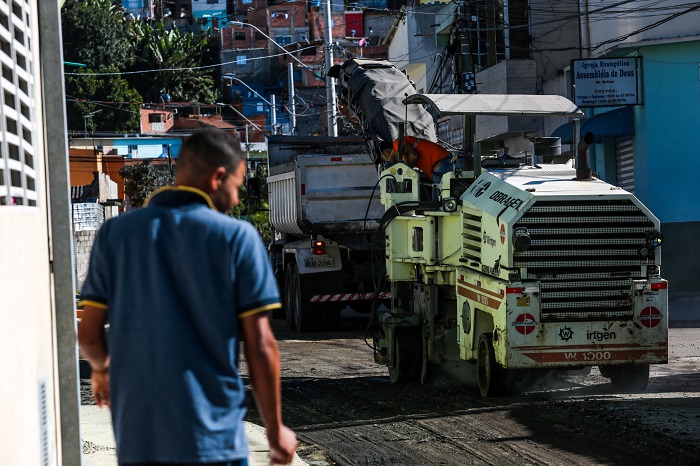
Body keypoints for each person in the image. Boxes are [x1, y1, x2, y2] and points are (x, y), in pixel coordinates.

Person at [77, 128, 297, 465]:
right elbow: (261, 344)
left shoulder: (116, 233)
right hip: (213, 439)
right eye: (236, 187)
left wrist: (102, 370)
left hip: (137, 440)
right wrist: (275, 429)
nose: (236, 199)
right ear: (218, 177)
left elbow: (90, 334)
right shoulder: (237, 238)